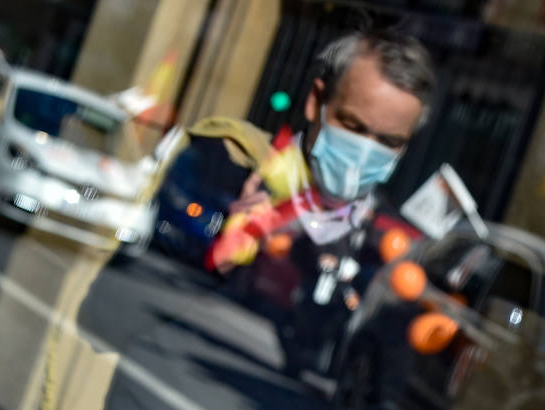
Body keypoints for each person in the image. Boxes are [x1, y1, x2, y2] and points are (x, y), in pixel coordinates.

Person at [161, 27, 434, 372]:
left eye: (389, 142)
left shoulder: (379, 221)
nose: (365, 152)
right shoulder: (234, 158)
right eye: (353, 126)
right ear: (316, 103)